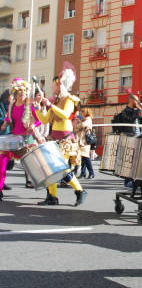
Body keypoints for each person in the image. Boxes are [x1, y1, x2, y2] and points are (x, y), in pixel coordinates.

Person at [35, 68, 87, 206]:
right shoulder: (56, 101)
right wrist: (38, 108)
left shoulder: (69, 99)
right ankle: (52, 196)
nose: (52, 87)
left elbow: (65, 115)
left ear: (60, 84)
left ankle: (80, 191)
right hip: (54, 138)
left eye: (54, 84)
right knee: (52, 168)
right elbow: (45, 120)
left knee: (61, 168)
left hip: (65, 139)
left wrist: (50, 105)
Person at [0, 78, 41, 199]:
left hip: (25, 140)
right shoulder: (12, 105)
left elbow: (38, 121)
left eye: (24, 91)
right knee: (1, 164)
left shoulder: (28, 105)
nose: (22, 93)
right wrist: (4, 124)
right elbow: (8, 118)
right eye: (20, 91)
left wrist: (33, 125)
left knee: (35, 166)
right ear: (15, 92)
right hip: (12, 140)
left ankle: (50, 192)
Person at [112, 94, 142, 188]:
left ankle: (135, 180)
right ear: (131, 100)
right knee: (129, 160)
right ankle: (127, 181)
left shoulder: (135, 111)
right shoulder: (125, 111)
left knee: (136, 160)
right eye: (136, 100)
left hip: (138, 137)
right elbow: (130, 120)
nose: (138, 102)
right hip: (129, 138)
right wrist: (137, 111)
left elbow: (140, 120)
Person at [75, 108, 95, 179]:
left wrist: (78, 125)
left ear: (86, 112)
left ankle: (91, 172)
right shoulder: (83, 120)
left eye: (83, 112)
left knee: (86, 157)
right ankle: (83, 173)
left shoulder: (88, 119)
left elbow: (82, 125)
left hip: (85, 141)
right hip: (81, 140)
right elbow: (76, 128)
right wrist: (78, 127)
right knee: (82, 157)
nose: (81, 113)